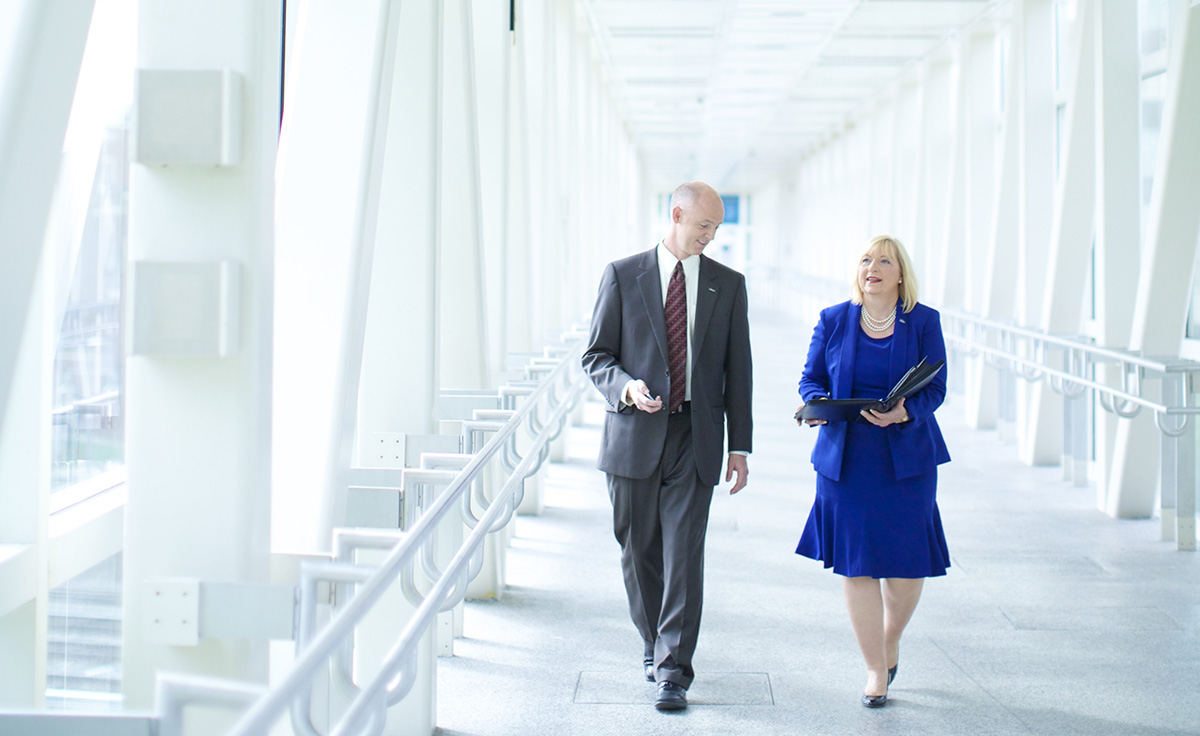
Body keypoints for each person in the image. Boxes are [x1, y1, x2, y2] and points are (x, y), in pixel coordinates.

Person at [582, 181, 753, 712]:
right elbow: (596, 357)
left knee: (684, 552)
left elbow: (737, 372)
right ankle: (653, 642)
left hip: (694, 435)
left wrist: (739, 447)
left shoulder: (728, 284)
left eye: (717, 228)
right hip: (634, 433)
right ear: (677, 214)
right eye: (704, 225)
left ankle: (674, 668)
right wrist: (627, 388)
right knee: (638, 550)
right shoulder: (622, 274)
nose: (711, 236)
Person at [794, 234, 950, 708]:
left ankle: (889, 640)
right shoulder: (834, 319)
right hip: (847, 462)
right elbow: (811, 378)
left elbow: (937, 385)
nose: (872, 268)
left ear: (900, 274)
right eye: (865, 260)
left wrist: (904, 413)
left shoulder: (924, 322)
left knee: (904, 569)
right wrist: (815, 405)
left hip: (906, 461)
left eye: (884, 261)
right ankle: (875, 670)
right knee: (858, 567)